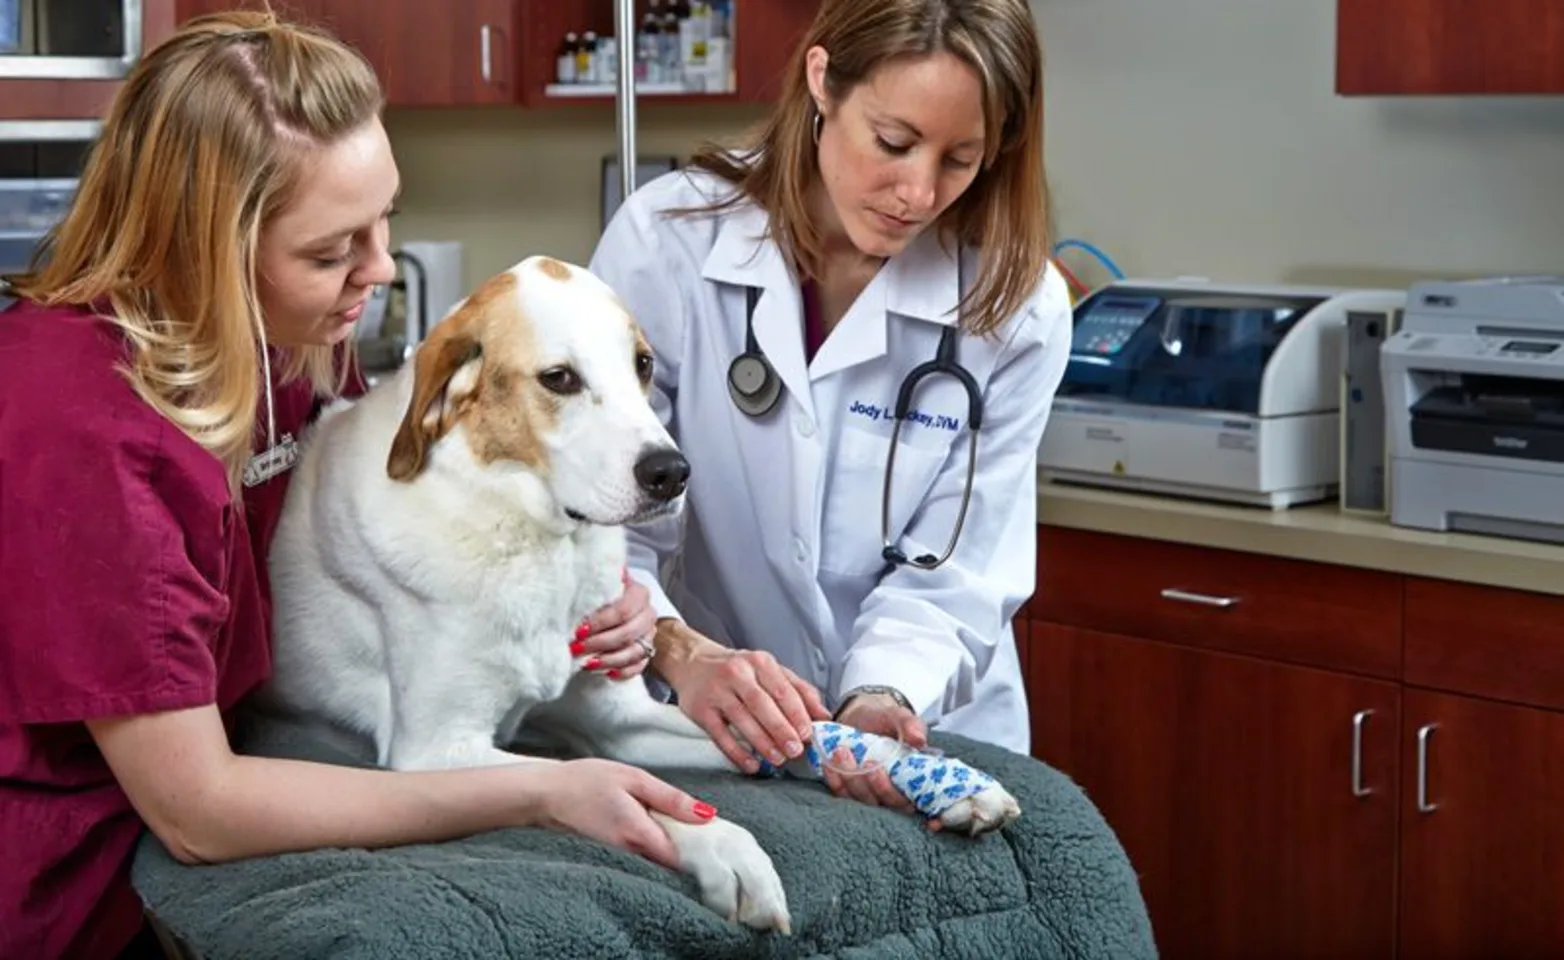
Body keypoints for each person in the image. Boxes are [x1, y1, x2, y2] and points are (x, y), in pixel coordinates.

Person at [0, 11, 706, 959]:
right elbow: (198, 811)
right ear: (206, 244)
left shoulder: (275, 347)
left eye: (387, 224)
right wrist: (542, 789)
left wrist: (601, 610)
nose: (377, 270)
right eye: (332, 251)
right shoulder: (81, 431)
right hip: (70, 893)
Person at [589, 0, 1071, 809]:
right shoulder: (667, 241)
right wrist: (678, 650)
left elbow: (961, 569)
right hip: (719, 722)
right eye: (893, 142)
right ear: (822, 80)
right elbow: (602, 512)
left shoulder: (1017, 305)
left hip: (925, 735)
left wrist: (884, 697)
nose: (917, 192)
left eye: (962, 159)